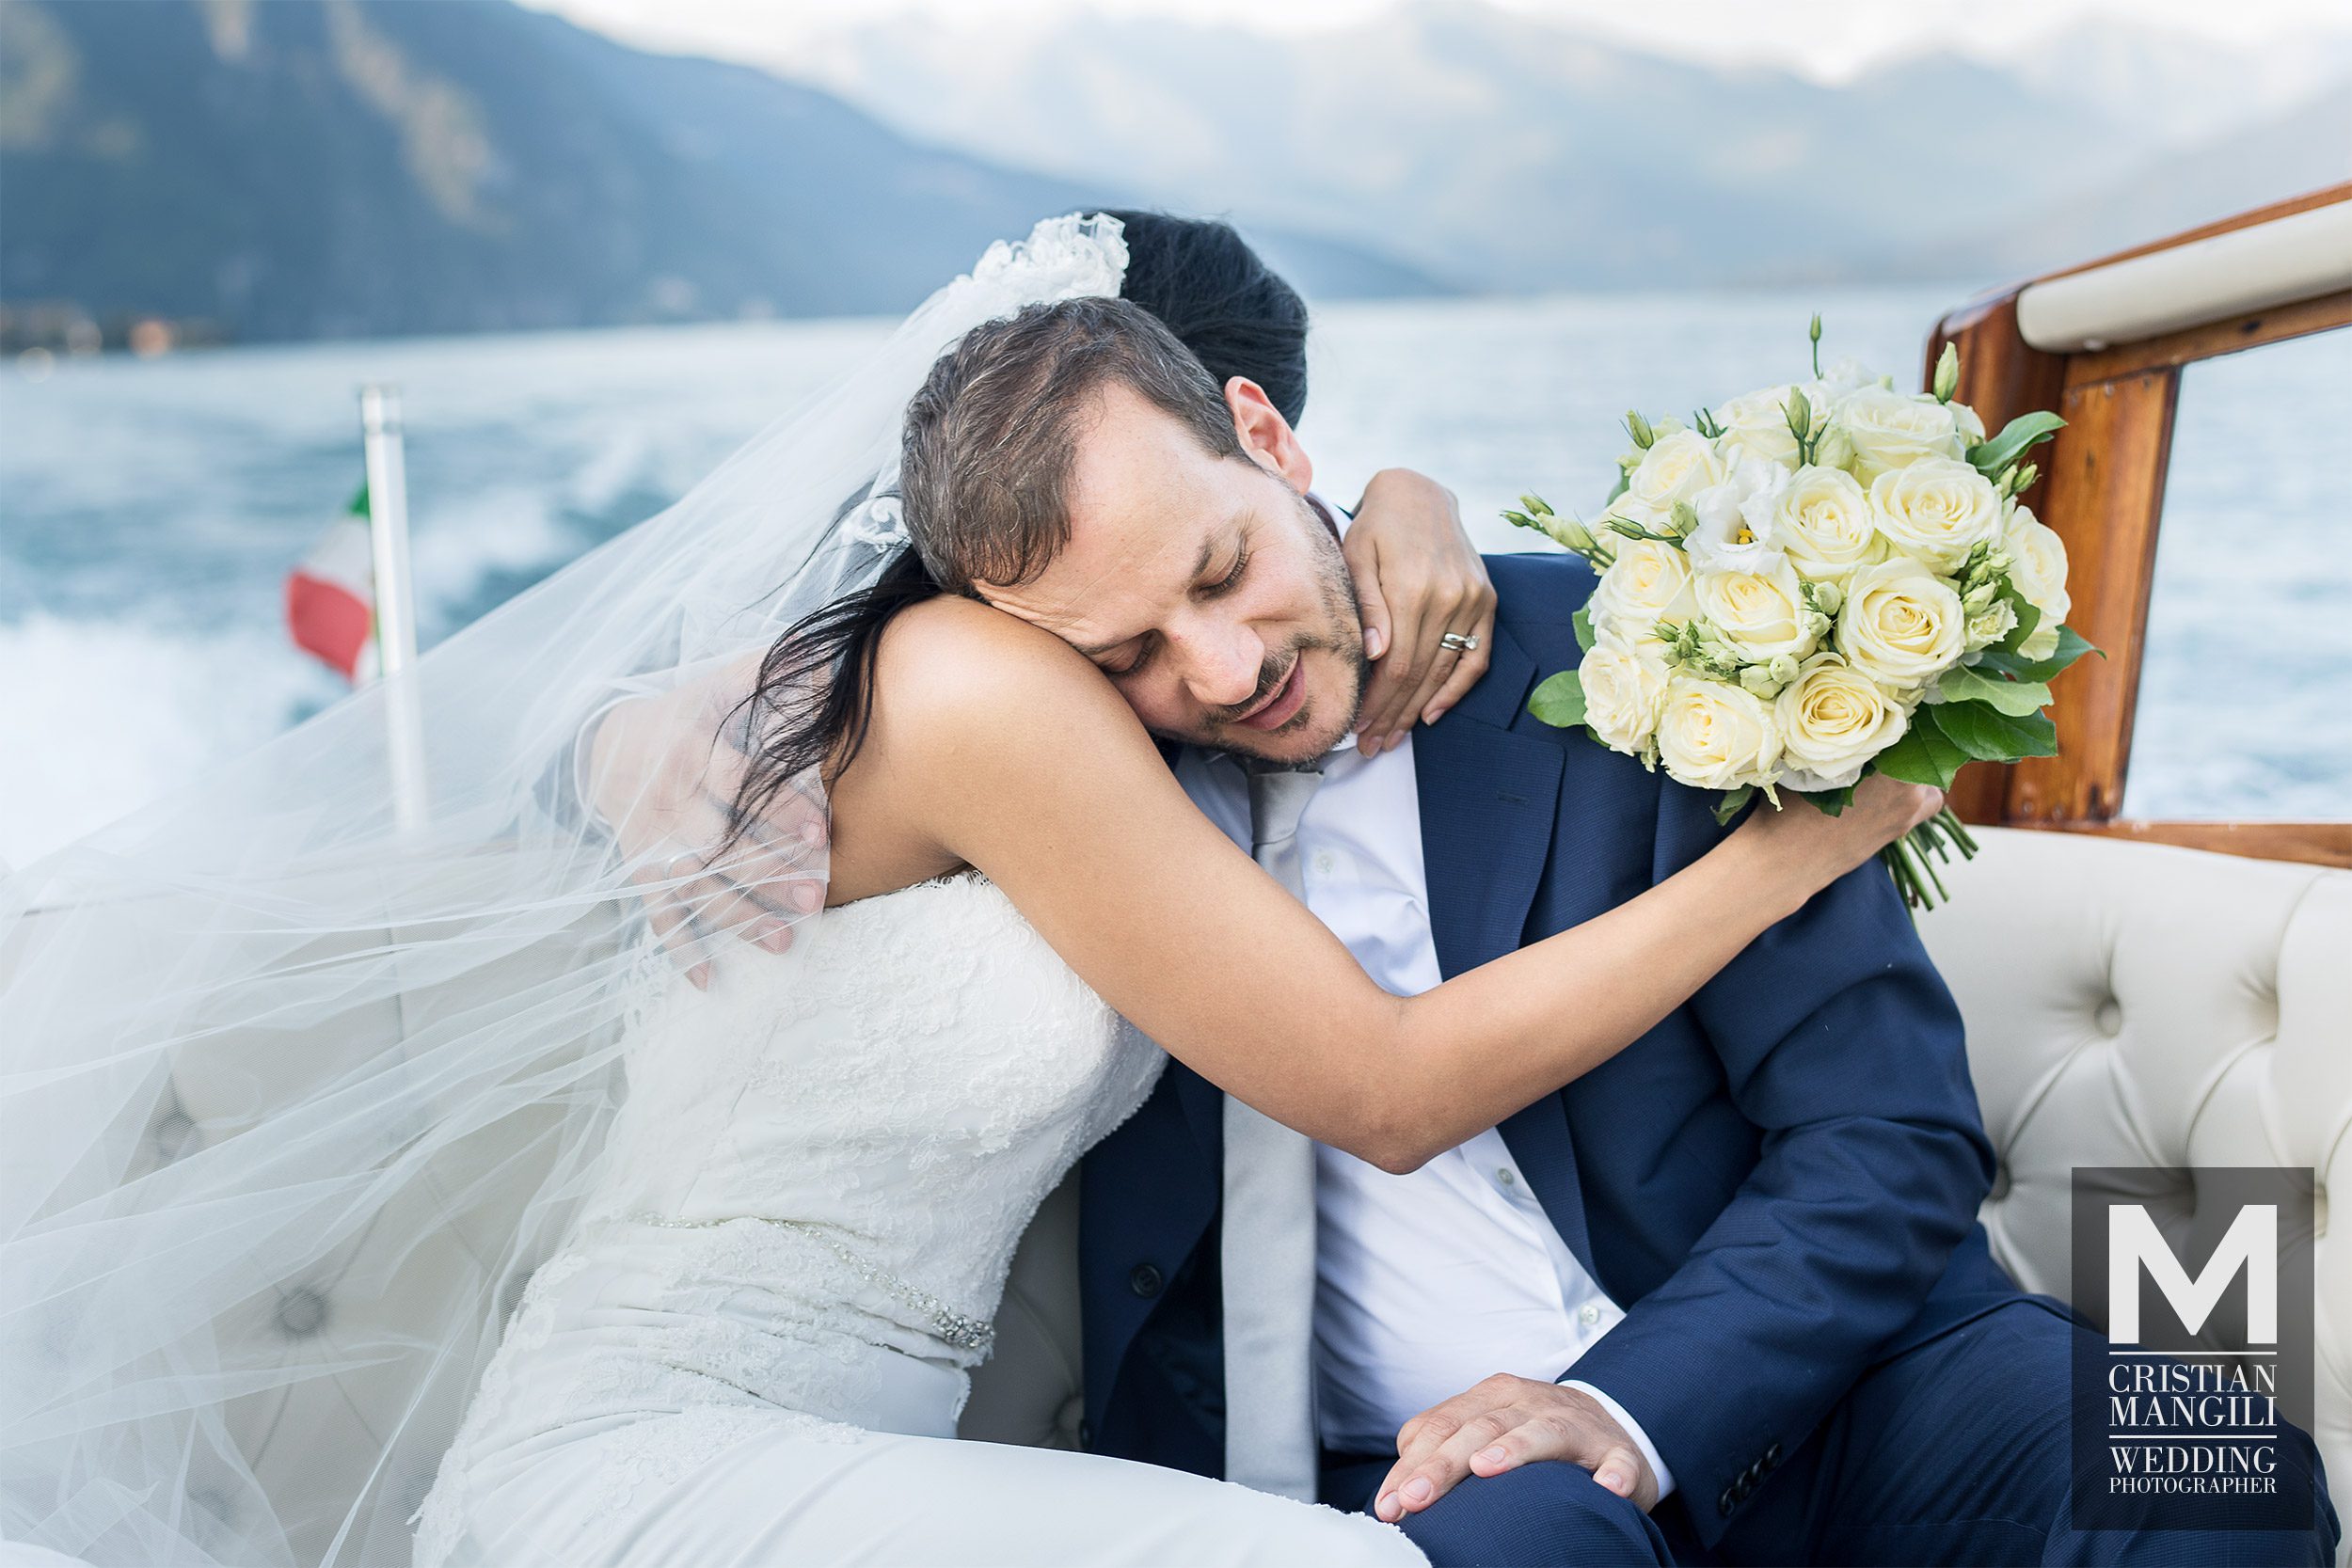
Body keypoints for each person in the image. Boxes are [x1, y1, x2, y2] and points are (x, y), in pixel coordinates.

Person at [0, 214, 1912, 1568]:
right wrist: (1787, 852)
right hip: (669, 1467)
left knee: (2199, 1441)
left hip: (857, 1469)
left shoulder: (1076, 705)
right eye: (1129, 590)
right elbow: (1385, 1087)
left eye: (1234, 549)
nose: (1214, 649)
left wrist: (1407, 505)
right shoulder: (985, 699)